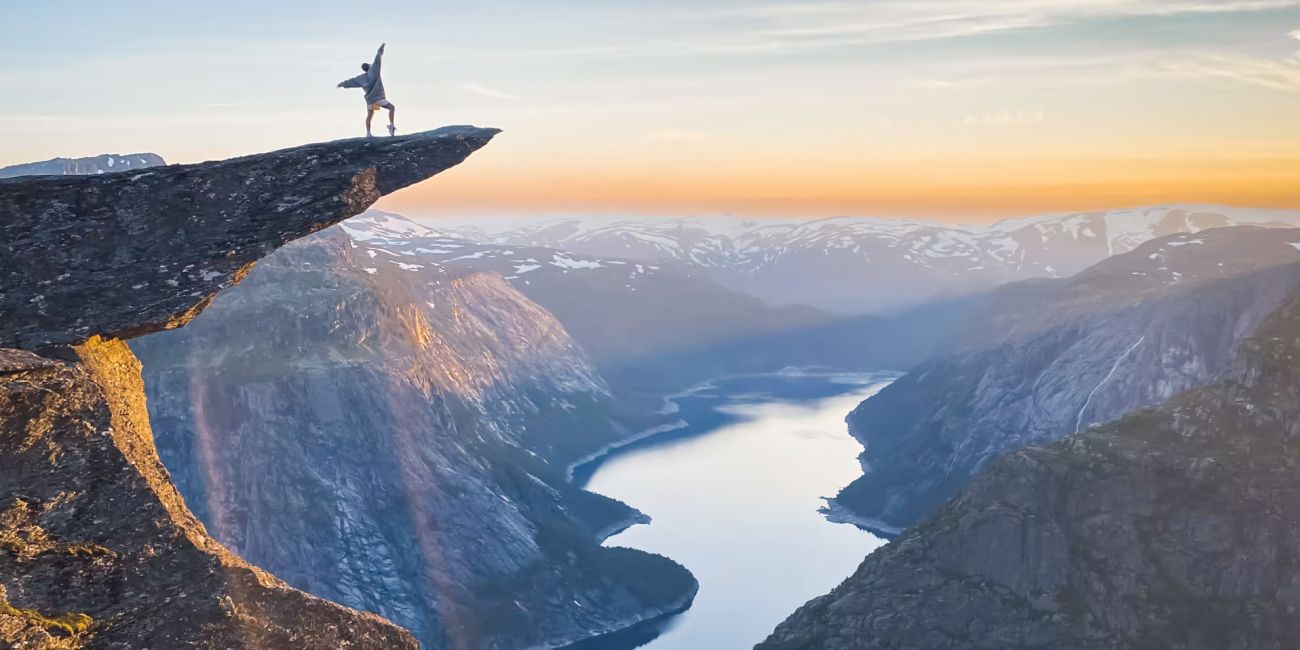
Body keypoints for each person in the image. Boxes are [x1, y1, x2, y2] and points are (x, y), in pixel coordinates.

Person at [337, 43, 396, 137]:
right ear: (369, 67)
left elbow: (352, 81)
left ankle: (368, 133)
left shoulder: (361, 78)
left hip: (370, 99)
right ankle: (391, 126)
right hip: (378, 97)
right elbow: (377, 61)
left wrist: (342, 84)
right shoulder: (374, 71)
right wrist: (380, 51)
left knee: (370, 115)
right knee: (392, 108)